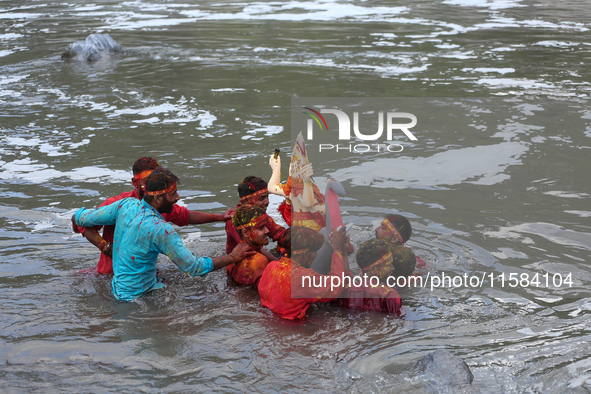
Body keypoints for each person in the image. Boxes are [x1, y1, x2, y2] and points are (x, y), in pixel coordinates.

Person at [72, 168, 253, 301]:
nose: (178, 197)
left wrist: (76, 217)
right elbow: (194, 267)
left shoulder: (125, 205)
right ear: (158, 198)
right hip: (140, 300)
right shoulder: (160, 229)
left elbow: (83, 218)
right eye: (173, 194)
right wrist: (232, 257)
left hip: (118, 290)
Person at [77, 157, 231, 274]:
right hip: (110, 273)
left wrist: (219, 217)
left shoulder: (160, 203)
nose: (151, 185)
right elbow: (83, 224)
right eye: (146, 182)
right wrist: (105, 247)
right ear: (134, 182)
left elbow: (185, 216)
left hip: (141, 275)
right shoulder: (119, 204)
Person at [257, 226, 348, 320]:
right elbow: (336, 286)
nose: (316, 255)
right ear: (305, 254)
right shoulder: (302, 277)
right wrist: (337, 250)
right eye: (315, 251)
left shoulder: (271, 266)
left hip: (270, 320)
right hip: (293, 327)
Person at [225, 176, 287, 262]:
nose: (267, 202)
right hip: (242, 263)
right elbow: (250, 248)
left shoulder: (259, 214)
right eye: (262, 198)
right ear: (246, 201)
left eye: (267, 197)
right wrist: (279, 264)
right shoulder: (235, 220)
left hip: (258, 256)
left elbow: (277, 232)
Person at [338, 239, 408, 315]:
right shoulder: (389, 295)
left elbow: (347, 277)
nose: (393, 268)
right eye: (388, 265)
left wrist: (344, 254)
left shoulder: (346, 290)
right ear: (372, 269)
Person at [226, 205, 287, 287]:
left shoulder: (233, 257)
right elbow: (267, 291)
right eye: (261, 228)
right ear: (245, 233)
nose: (267, 230)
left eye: (265, 226)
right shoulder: (259, 261)